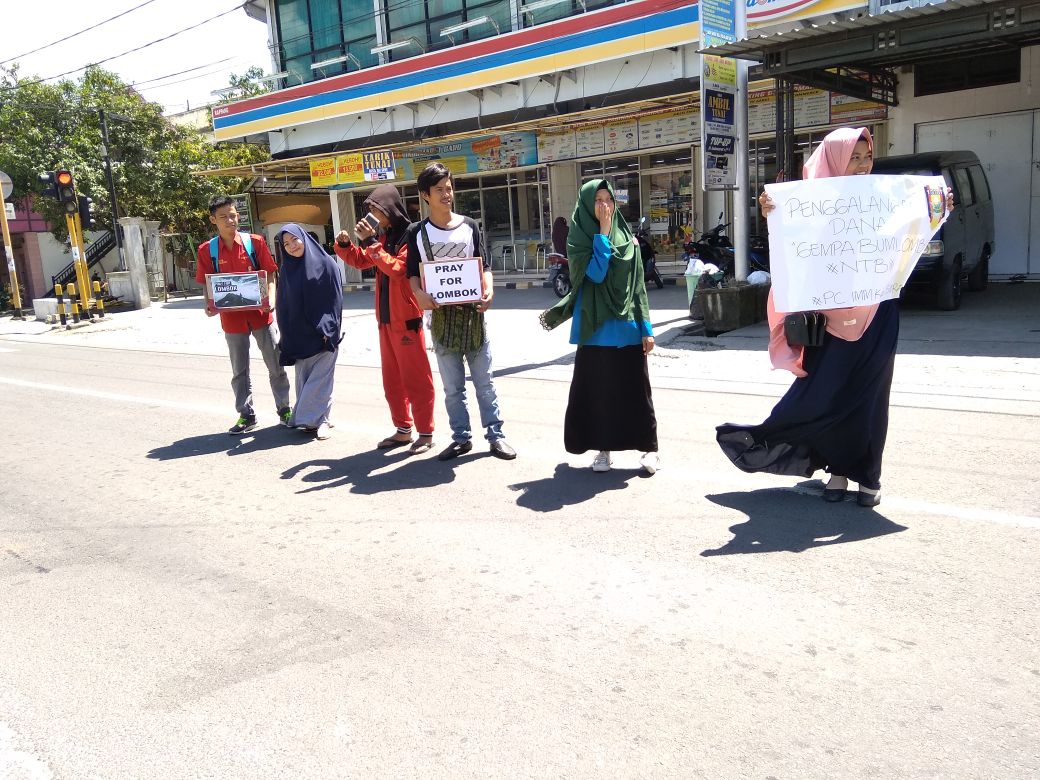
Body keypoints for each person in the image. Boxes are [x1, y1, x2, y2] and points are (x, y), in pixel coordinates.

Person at [716, 127, 951, 508]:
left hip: (877, 315)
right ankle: (837, 471)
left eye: (866, 157)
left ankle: (868, 478)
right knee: (828, 395)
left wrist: (940, 208)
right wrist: (773, 214)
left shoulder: (886, 199)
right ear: (835, 160)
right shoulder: (809, 201)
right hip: (828, 320)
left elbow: (916, 232)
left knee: (870, 398)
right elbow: (793, 254)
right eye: (853, 158)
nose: (862, 165)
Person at [540, 179, 658, 475]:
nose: (604, 205)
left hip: (628, 328)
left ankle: (649, 450)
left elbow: (638, 286)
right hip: (595, 329)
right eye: (597, 200)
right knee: (599, 394)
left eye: (608, 199)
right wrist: (603, 234)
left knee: (636, 394)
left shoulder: (627, 236)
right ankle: (603, 451)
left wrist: (647, 328)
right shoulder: (578, 238)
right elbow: (594, 274)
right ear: (586, 204)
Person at [406, 162, 517, 462]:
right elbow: (411, 275)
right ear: (425, 196)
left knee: (486, 384)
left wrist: (489, 290)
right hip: (441, 321)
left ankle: (496, 436)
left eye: (449, 188)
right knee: (453, 389)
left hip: (473, 319)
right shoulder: (417, 232)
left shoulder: (469, 226)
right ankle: (461, 438)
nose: (446, 194)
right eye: (439, 190)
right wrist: (419, 294)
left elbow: (485, 265)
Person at [335, 184, 437, 455]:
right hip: (386, 321)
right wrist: (346, 246)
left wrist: (370, 243)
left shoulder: (410, 234)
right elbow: (361, 262)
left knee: (416, 379)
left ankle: (425, 433)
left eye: (375, 209)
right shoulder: (384, 235)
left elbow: (398, 270)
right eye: (369, 209)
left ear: (389, 208)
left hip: (407, 320)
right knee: (392, 381)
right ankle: (403, 430)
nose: (371, 214)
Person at [196, 195, 291, 435]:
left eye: (233, 215)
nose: (230, 220)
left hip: (261, 316)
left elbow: (270, 275)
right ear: (213, 220)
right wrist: (208, 304)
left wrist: (271, 299)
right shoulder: (208, 250)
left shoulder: (255, 243)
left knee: (275, 365)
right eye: (223, 217)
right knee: (240, 371)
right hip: (232, 321)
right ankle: (246, 415)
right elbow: (208, 285)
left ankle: (285, 410)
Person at [276, 224, 343, 440]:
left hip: (323, 332)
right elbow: (283, 302)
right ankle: (313, 418)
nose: (291, 246)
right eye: (286, 244)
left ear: (304, 237)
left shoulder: (325, 263)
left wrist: (329, 327)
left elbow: (335, 299)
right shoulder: (287, 268)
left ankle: (318, 420)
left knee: (321, 380)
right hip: (298, 334)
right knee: (304, 378)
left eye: (294, 239)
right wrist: (285, 332)